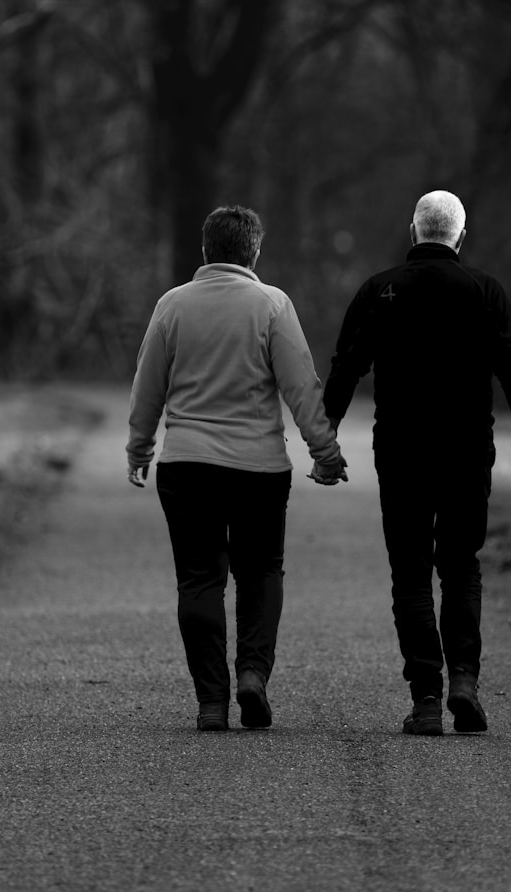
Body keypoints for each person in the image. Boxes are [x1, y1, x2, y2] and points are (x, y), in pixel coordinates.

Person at [323, 190, 511, 736]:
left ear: (413, 231)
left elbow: (345, 369)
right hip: (468, 451)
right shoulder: (485, 292)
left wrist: (324, 444)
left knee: (410, 571)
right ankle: (465, 683)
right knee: (461, 565)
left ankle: (426, 698)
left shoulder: (381, 291)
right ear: (460, 237)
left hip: (401, 450)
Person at [127, 205, 347, 732]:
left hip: (187, 466)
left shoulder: (172, 306)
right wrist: (325, 451)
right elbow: (301, 385)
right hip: (260, 469)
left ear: (206, 251)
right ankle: (252, 674)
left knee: (199, 579)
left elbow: (147, 385)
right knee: (260, 571)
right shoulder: (272, 305)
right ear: (255, 252)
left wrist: (139, 449)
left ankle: (210, 701)